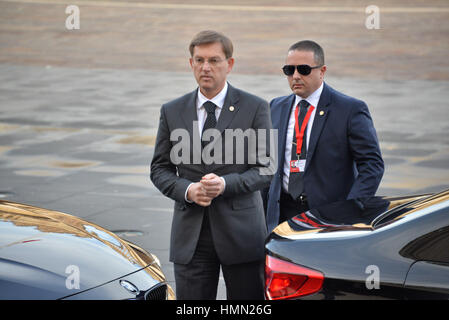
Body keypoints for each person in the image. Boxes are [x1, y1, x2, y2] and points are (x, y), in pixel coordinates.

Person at [150, 30, 274, 300]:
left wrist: (225, 185)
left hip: (241, 235)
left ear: (229, 64)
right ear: (191, 63)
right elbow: (159, 168)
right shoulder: (171, 110)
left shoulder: (255, 107)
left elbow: (266, 168)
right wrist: (187, 189)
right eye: (199, 60)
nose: (206, 67)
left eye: (214, 60)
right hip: (191, 237)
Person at [265, 40, 384, 232]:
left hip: (329, 217)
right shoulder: (275, 107)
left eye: (303, 69)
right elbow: (267, 164)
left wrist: (351, 208)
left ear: (322, 71)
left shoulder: (350, 109)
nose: (295, 76)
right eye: (289, 70)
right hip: (282, 214)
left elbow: (372, 166)